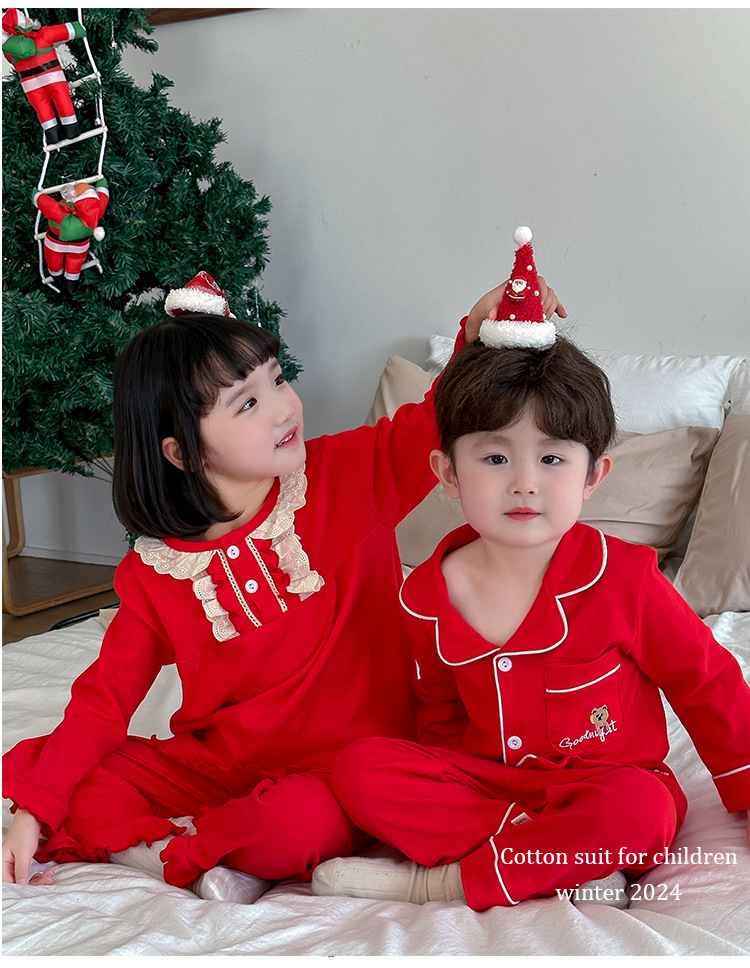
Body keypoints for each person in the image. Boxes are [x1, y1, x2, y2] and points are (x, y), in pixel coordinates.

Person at [2, 270, 566, 902]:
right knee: (64, 779)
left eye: (276, 379)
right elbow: (104, 701)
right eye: (247, 403)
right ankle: (216, 848)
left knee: (292, 824)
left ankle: (208, 852)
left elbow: (436, 419)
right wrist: (35, 812)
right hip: (223, 769)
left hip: (352, 767)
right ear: (182, 453)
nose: (284, 407)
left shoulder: (348, 475)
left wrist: (479, 332)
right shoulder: (156, 572)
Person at [312, 230, 750, 911]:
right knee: (362, 768)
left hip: (606, 785)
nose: (524, 483)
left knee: (640, 811)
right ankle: (557, 859)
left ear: (594, 475)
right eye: (494, 459)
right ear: (448, 474)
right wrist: (440, 786)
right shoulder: (426, 594)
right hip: (489, 788)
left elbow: (708, 684)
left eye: (552, 459)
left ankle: (446, 882)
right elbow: (439, 718)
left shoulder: (626, 579)